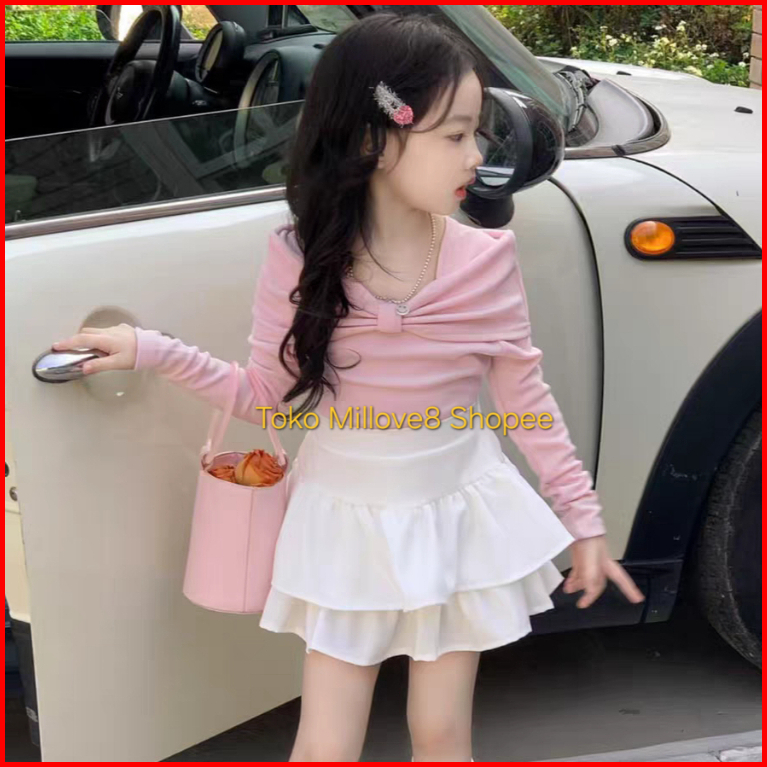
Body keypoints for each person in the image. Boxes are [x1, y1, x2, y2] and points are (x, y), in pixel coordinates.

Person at [52, 12, 645, 763]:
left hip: (454, 514)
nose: (477, 155)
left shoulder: (484, 259)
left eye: (477, 132)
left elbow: (526, 403)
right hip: (344, 523)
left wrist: (584, 523)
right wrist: (151, 350)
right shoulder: (299, 256)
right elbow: (264, 396)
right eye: (454, 134)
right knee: (325, 745)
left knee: (442, 738)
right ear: (373, 139)